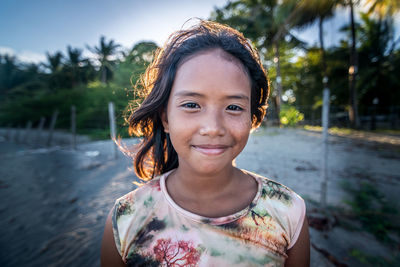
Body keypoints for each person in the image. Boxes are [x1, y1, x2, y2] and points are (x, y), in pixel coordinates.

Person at [101, 20, 310, 267]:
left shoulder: (287, 211)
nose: (213, 127)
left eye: (233, 107)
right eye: (191, 105)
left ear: (253, 119)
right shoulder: (126, 218)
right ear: (165, 118)